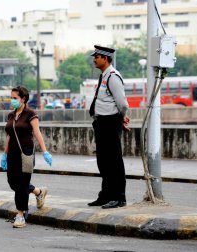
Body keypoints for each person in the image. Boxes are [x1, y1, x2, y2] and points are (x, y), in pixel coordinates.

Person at [0, 86, 53, 228]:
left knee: (22, 184)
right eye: (11, 98)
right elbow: (9, 136)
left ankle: (21, 215)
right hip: (12, 154)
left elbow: (37, 133)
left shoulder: (30, 114)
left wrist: (45, 151)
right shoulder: (11, 115)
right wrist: (4, 154)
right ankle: (38, 191)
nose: (12, 100)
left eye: (15, 98)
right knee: (13, 182)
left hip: (26, 153)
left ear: (23, 99)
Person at [88, 45, 130, 209]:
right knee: (103, 161)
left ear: (105, 58)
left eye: (97, 56)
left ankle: (119, 197)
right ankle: (105, 195)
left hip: (110, 122)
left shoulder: (113, 76)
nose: (94, 59)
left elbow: (122, 103)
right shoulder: (104, 76)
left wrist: (120, 119)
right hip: (102, 123)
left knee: (114, 161)